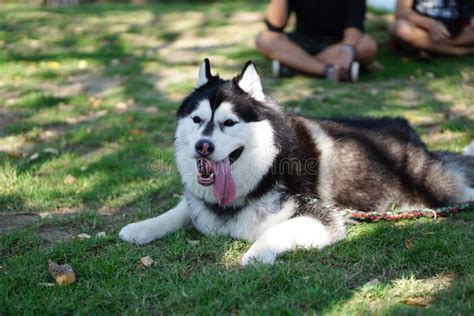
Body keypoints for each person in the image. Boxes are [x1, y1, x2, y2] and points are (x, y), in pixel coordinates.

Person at [255, 0, 378, 82]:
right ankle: (329, 70)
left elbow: (355, 24)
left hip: (338, 43)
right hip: (302, 42)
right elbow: (276, 25)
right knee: (265, 39)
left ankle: (295, 66)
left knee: (367, 45)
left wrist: (346, 48)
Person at [391, 0, 474, 57]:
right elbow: (401, 11)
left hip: (458, 32)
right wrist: (431, 24)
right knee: (401, 28)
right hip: (423, 32)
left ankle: (430, 48)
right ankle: (461, 52)